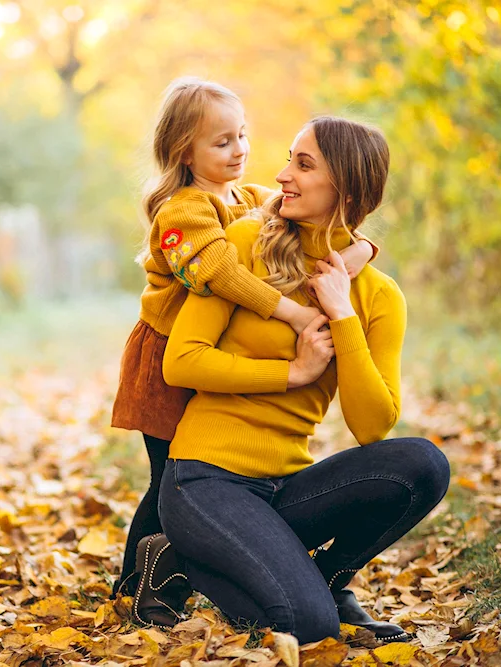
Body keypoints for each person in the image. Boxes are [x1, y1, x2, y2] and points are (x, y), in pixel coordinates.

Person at [133, 116, 450, 645]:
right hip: (206, 480)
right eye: (288, 159)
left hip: (283, 489)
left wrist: (343, 316)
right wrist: (293, 373)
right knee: (311, 627)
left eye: (303, 165)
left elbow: (373, 426)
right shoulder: (242, 243)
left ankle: (327, 576)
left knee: (423, 463)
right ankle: (177, 555)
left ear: (346, 188)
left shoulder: (378, 295)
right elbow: (182, 361)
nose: (282, 175)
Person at [110, 79, 378, 596]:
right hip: (167, 353)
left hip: (215, 348)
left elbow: (320, 220)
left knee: (196, 470)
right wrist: (295, 316)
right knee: (168, 476)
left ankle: (201, 560)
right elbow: (220, 273)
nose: (240, 151)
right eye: (222, 142)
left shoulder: (253, 198)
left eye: (243, 136)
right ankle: (137, 584)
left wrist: (361, 251)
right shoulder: (182, 210)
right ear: (185, 152)